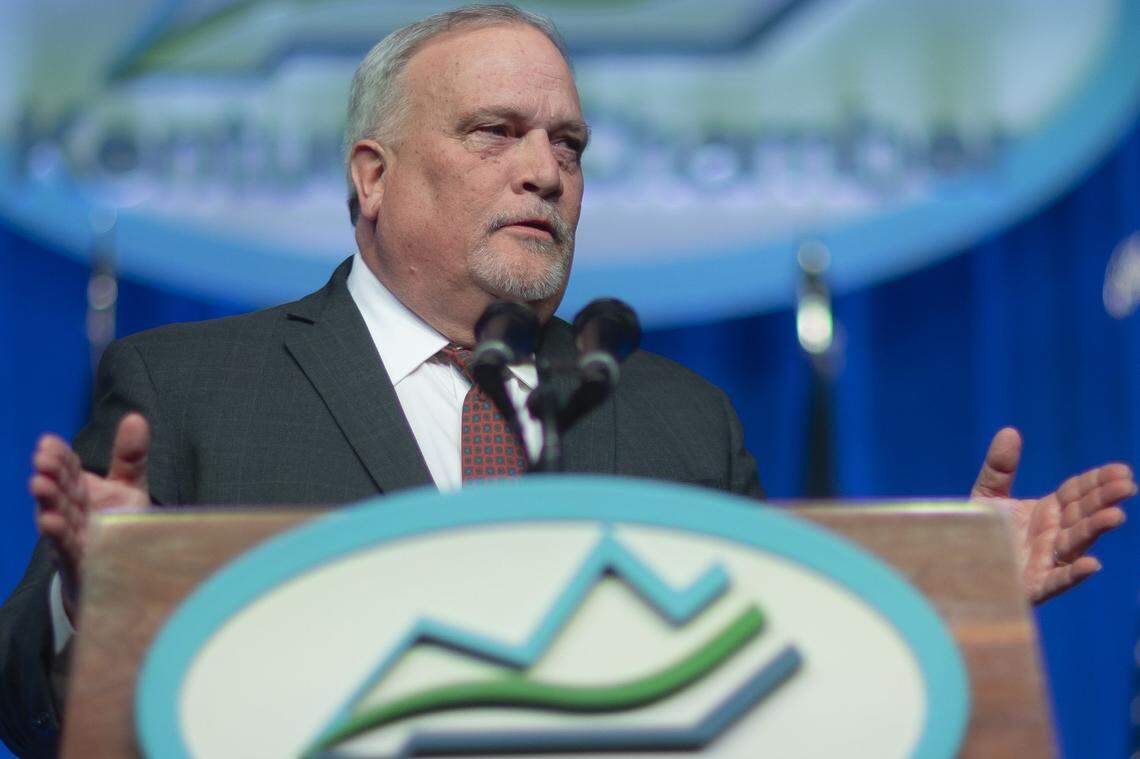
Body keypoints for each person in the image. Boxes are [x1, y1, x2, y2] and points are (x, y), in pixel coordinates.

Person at [1, 5, 1135, 757]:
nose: (546, 171)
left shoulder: (677, 419)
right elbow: (23, 706)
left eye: (571, 145)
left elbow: (779, 690)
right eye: (497, 132)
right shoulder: (194, 389)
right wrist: (98, 597)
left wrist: (951, 599)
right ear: (372, 177)